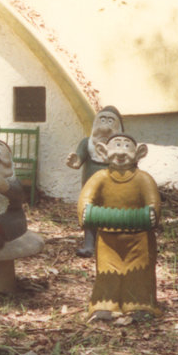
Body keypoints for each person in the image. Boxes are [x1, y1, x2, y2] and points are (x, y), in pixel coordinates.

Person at [77, 133, 162, 321]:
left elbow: (153, 202)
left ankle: (140, 305)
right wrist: (86, 211)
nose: (121, 153)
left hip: (139, 239)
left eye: (126, 147)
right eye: (116, 146)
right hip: (107, 239)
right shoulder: (100, 177)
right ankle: (104, 305)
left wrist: (151, 214)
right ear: (103, 152)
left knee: (139, 272)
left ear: (139, 153)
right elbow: (86, 197)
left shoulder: (143, 179)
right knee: (108, 272)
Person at [66, 106, 124, 257]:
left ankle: (110, 244)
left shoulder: (122, 146)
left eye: (110, 121)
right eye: (102, 120)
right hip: (90, 186)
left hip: (114, 185)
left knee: (113, 212)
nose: (105, 126)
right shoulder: (87, 143)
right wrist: (75, 161)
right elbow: (79, 159)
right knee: (89, 212)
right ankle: (89, 244)